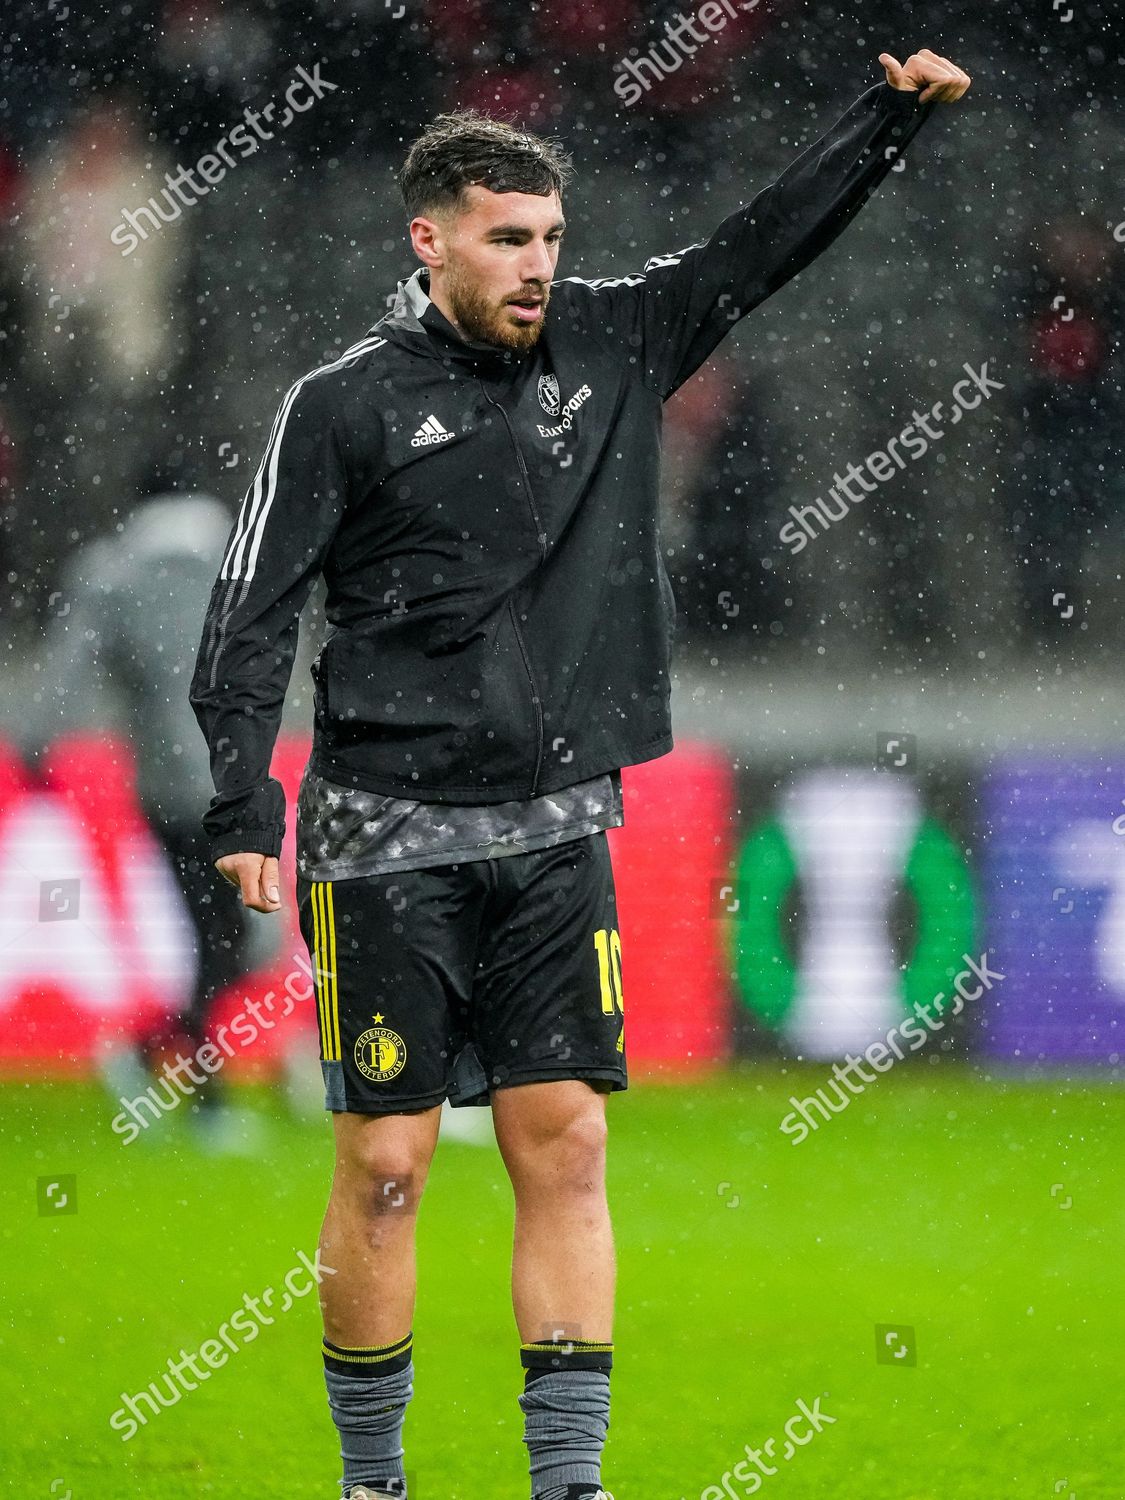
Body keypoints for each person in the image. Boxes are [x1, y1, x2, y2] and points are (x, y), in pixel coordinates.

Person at [189, 49, 970, 1500]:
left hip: (558, 829)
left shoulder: (618, 339)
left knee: (569, 1144)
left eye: (551, 236)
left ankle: (569, 1484)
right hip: (382, 838)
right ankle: (375, 1481)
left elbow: (759, 248)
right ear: (427, 240)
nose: (538, 264)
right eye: (506, 238)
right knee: (388, 1166)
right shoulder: (341, 405)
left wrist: (889, 119)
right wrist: (244, 798)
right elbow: (249, 609)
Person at [35, 483, 255, 1139]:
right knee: (228, 943)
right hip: (232, 786)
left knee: (215, 940)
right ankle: (201, 1093)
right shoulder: (234, 558)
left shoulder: (113, 574)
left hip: (166, 790)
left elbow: (71, 670)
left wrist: (35, 745)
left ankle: (150, 1054)